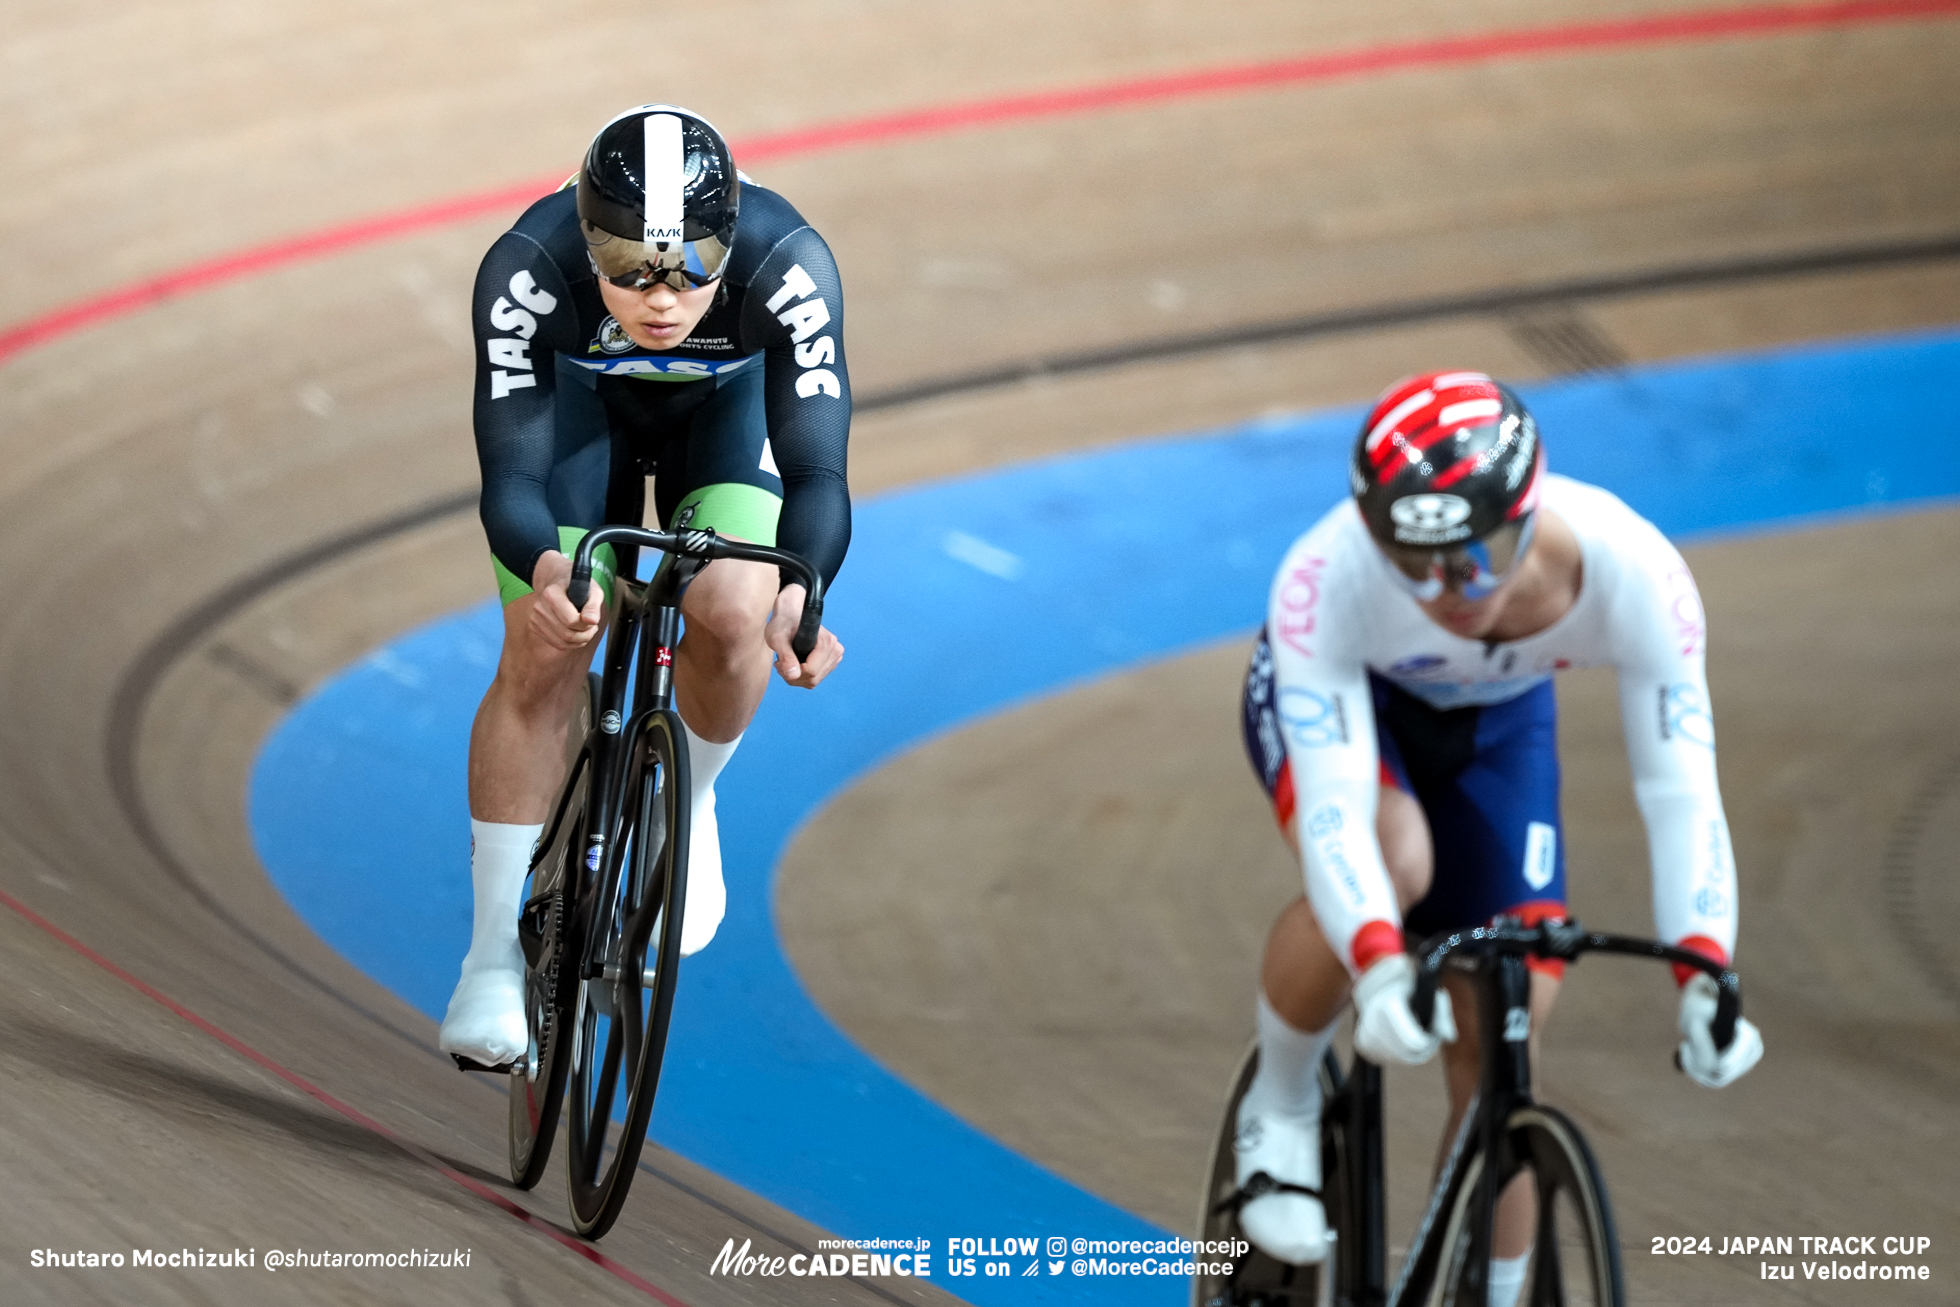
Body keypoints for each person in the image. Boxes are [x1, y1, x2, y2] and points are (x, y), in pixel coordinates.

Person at [1233, 370, 1763, 1300]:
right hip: (1359, 710)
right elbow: (1333, 804)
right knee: (1396, 859)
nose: (1451, 592)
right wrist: (1380, 962)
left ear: (1531, 507)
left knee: (1509, 1013)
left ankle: (1491, 1285)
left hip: (1497, 724)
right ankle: (1276, 1109)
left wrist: (1705, 968)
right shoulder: (1324, 578)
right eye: (1416, 565)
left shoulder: (1637, 572)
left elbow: (1681, 792)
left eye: (1483, 555)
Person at [439, 105, 850, 1067]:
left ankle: (691, 801)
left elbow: (819, 473)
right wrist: (549, 571)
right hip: (579, 420)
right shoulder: (527, 271)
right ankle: (491, 958)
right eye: (627, 265)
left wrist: (806, 593)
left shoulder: (788, 267)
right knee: (550, 640)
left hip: (724, 414)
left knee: (738, 610)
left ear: (731, 236)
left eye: (691, 263)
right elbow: (511, 478)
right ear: (586, 240)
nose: (661, 298)